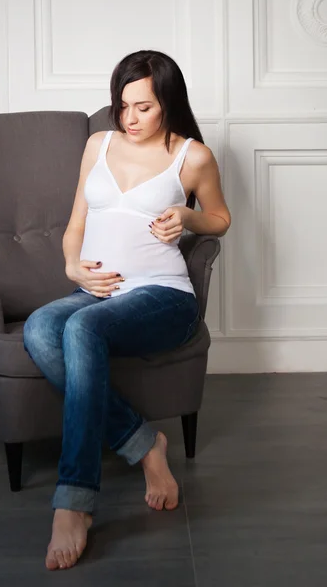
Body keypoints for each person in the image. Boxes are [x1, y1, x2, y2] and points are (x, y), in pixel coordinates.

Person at [23, 49, 231, 571]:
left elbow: (221, 218)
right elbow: (76, 223)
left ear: (169, 104)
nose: (130, 118)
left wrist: (188, 216)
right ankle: (146, 444)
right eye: (123, 106)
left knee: (83, 330)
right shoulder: (98, 144)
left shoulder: (193, 156)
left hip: (163, 296)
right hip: (97, 290)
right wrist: (72, 266)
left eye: (143, 107)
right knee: (42, 328)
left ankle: (73, 502)